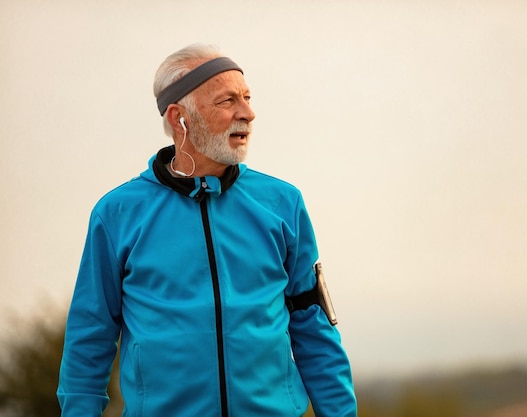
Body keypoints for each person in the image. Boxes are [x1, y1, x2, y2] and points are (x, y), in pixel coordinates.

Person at [57, 43, 357, 417]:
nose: (248, 113)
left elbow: (314, 330)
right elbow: (89, 338)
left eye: (247, 97)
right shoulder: (117, 213)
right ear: (180, 116)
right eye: (227, 101)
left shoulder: (282, 203)